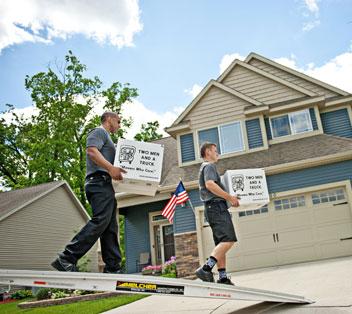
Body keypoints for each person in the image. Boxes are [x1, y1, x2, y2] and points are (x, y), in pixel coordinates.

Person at [51, 112, 126, 273]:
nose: (119, 125)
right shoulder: (99, 132)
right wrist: (111, 168)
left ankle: (113, 267)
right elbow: (91, 151)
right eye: (118, 121)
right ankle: (66, 257)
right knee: (100, 221)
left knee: (110, 226)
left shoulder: (109, 140)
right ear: (109, 119)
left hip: (105, 185)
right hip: (97, 182)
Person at [195, 142, 240, 285]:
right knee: (229, 240)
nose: (217, 153)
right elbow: (210, 184)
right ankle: (206, 268)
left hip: (213, 208)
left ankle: (223, 277)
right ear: (208, 152)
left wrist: (229, 198)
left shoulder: (205, 167)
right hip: (216, 207)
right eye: (215, 151)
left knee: (221, 244)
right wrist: (229, 197)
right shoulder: (209, 166)